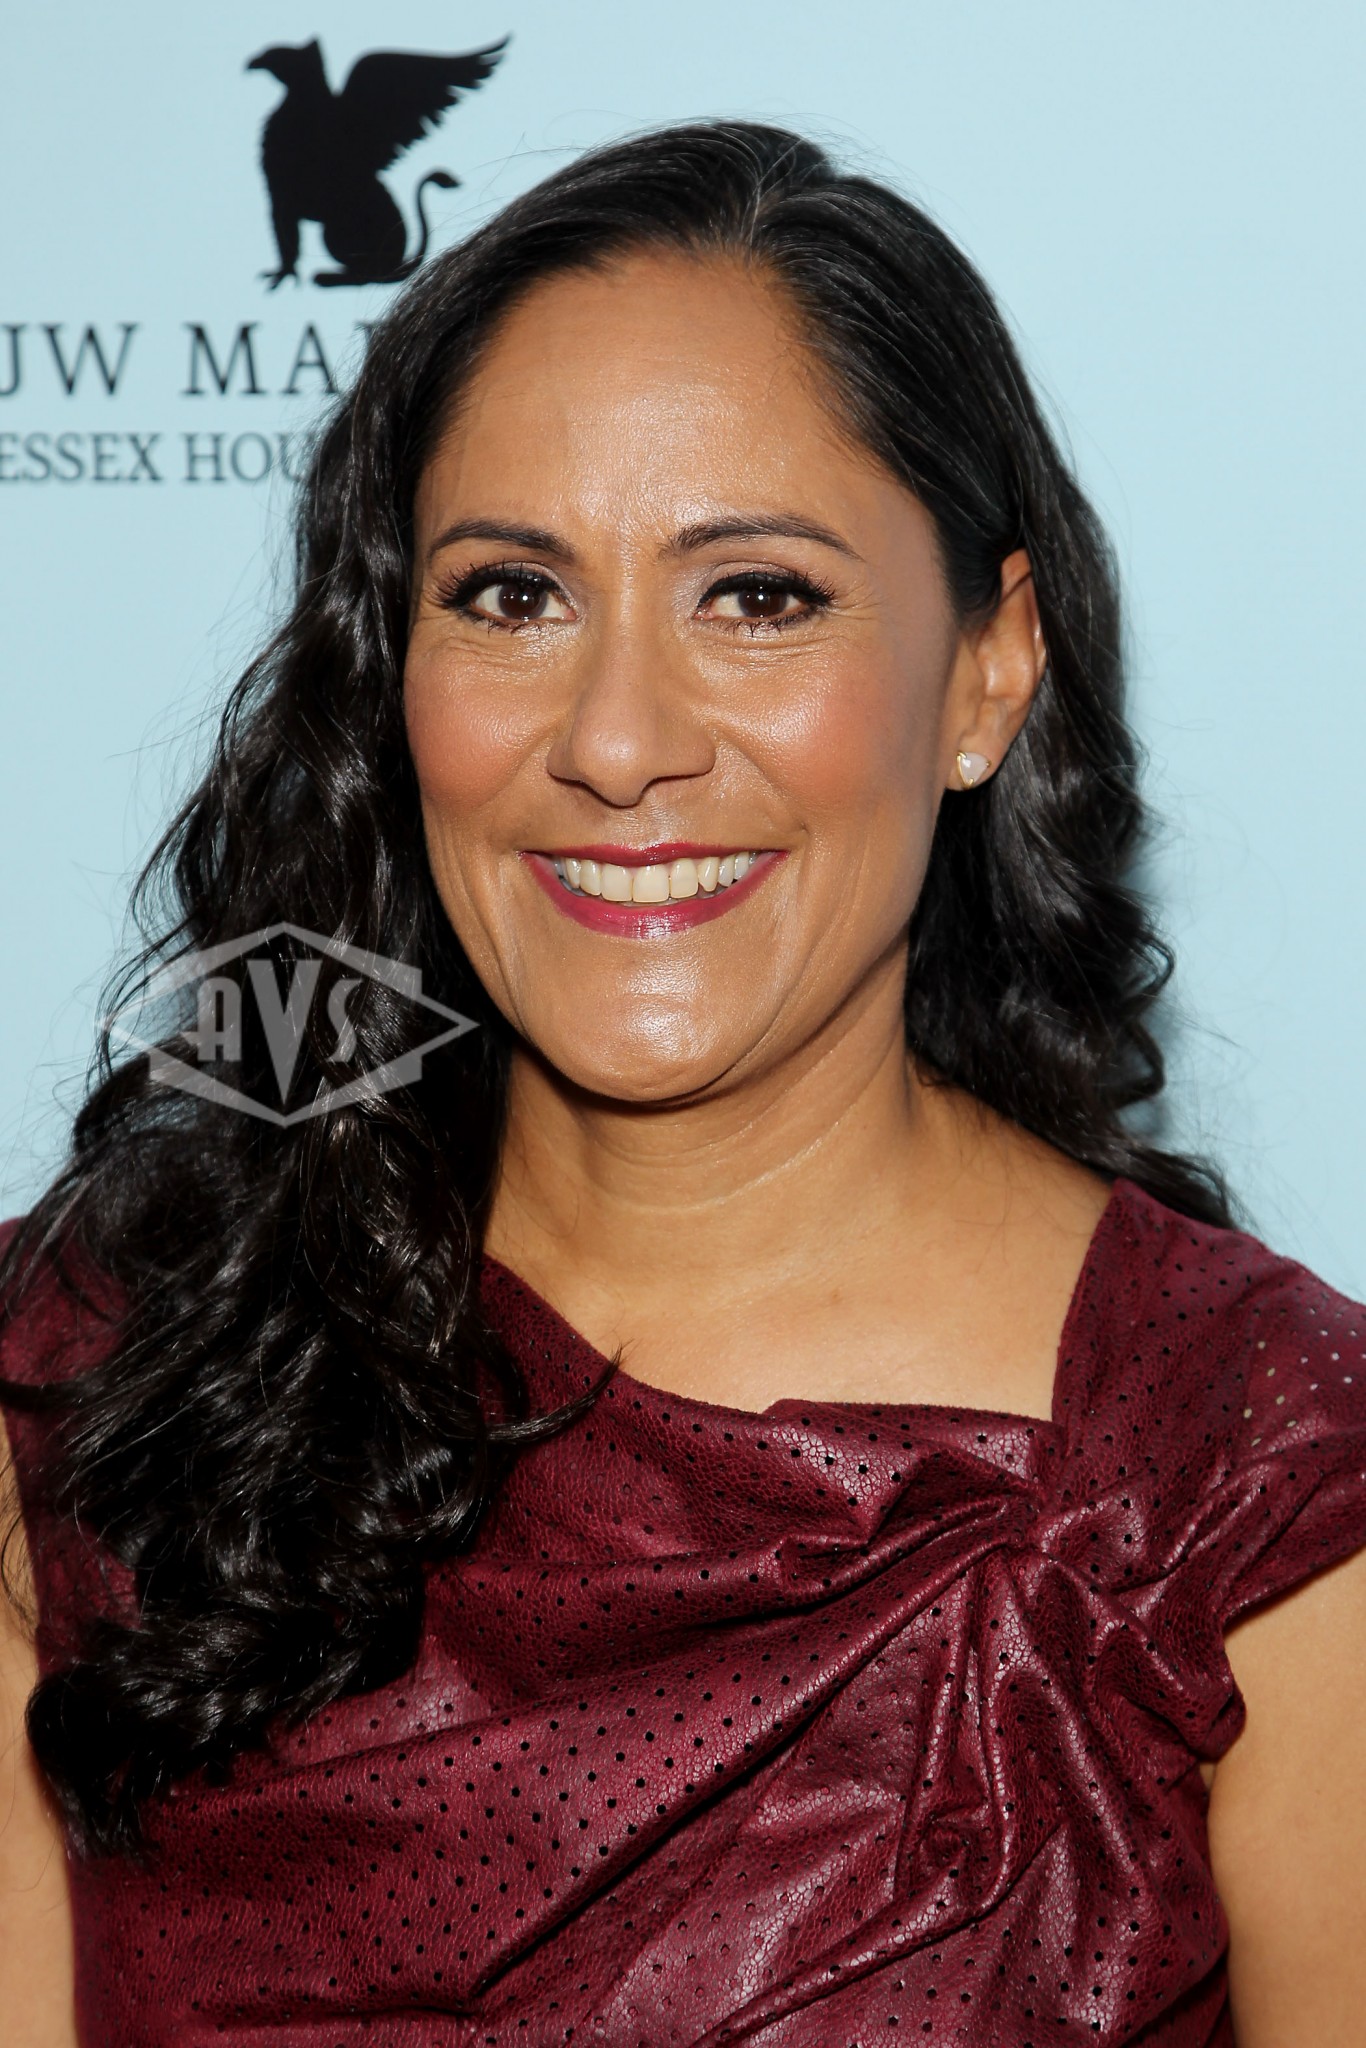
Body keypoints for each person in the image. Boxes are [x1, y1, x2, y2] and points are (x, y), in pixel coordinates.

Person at [1, 120, 1363, 2048]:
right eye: (511, 596)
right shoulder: (98, 1371)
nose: (618, 740)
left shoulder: (1261, 1476)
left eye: (757, 596)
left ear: (988, 671)